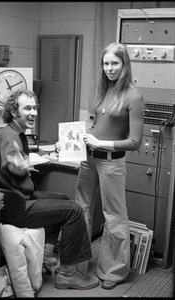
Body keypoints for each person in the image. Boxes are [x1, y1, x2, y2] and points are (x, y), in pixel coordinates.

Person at [0, 89, 99, 290]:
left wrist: (8, 165)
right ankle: (68, 275)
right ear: (14, 111)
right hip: (17, 207)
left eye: (35, 107)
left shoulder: (8, 133)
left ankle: (44, 252)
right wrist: (20, 164)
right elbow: (12, 163)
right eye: (27, 108)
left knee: (63, 198)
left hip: (16, 199)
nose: (33, 112)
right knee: (75, 210)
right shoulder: (10, 137)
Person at [72, 43, 144, 289]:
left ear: (125, 65)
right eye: (106, 63)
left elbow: (135, 142)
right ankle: (78, 265)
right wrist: (75, 139)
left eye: (115, 63)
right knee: (80, 210)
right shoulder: (102, 91)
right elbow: (93, 125)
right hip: (88, 158)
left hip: (111, 162)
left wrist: (102, 143)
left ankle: (113, 272)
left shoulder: (133, 96)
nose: (110, 68)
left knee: (113, 215)